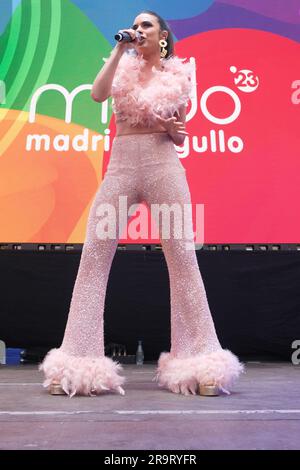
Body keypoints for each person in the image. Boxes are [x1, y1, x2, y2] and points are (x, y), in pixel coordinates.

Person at [39, 10, 243, 397]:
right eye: (135, 25)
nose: (138, 30)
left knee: (183, 259)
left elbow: (180, 136)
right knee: (94, 257)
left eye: (146, 25)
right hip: (121, 167)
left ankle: (201, 364)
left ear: (162, 35)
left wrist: (170, 129)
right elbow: (98, 93)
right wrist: (117, 51)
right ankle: (77, 365)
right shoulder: (122, 67)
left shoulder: (179, 74)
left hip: (163, 167)